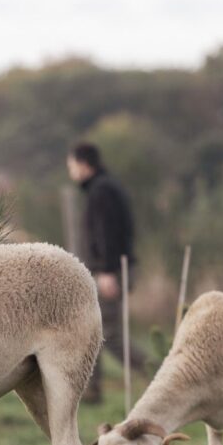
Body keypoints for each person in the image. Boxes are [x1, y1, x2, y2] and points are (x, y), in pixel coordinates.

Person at [67, 141, 137, 403]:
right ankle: (92, 392)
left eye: (72, 166)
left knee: (112, 334)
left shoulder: (102, 191)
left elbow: (107, 234)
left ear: (84, 165)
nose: (71, 172)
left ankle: (159, 371)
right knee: (92, 330)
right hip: (106, 270)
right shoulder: (102, 188)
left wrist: (107, 271)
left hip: (110, 272)